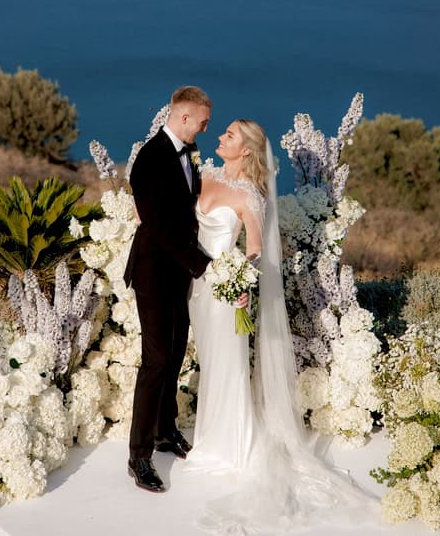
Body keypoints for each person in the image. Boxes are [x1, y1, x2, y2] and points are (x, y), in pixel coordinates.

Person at [186, 118, 379, 532]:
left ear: (247, 151)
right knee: (209, 361)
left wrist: (240, 281)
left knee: (230, 365)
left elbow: (255, 251)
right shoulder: (207, 174)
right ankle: (209, 436)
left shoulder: (250, 196)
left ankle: (229, 447)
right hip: (197, 289)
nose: (220, 137)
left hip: (226, 294)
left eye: (230, 136)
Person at [124, 85, 212, 494]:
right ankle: (138, 457)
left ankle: (164, 430)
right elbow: (158, 226)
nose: (205, 129)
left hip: (177, 273)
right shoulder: (150, 158)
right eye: (203, 122)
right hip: (155, 272)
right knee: (155, 361)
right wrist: (201, 263)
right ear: (183, 117)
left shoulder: (186, 154)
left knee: (176, 352)